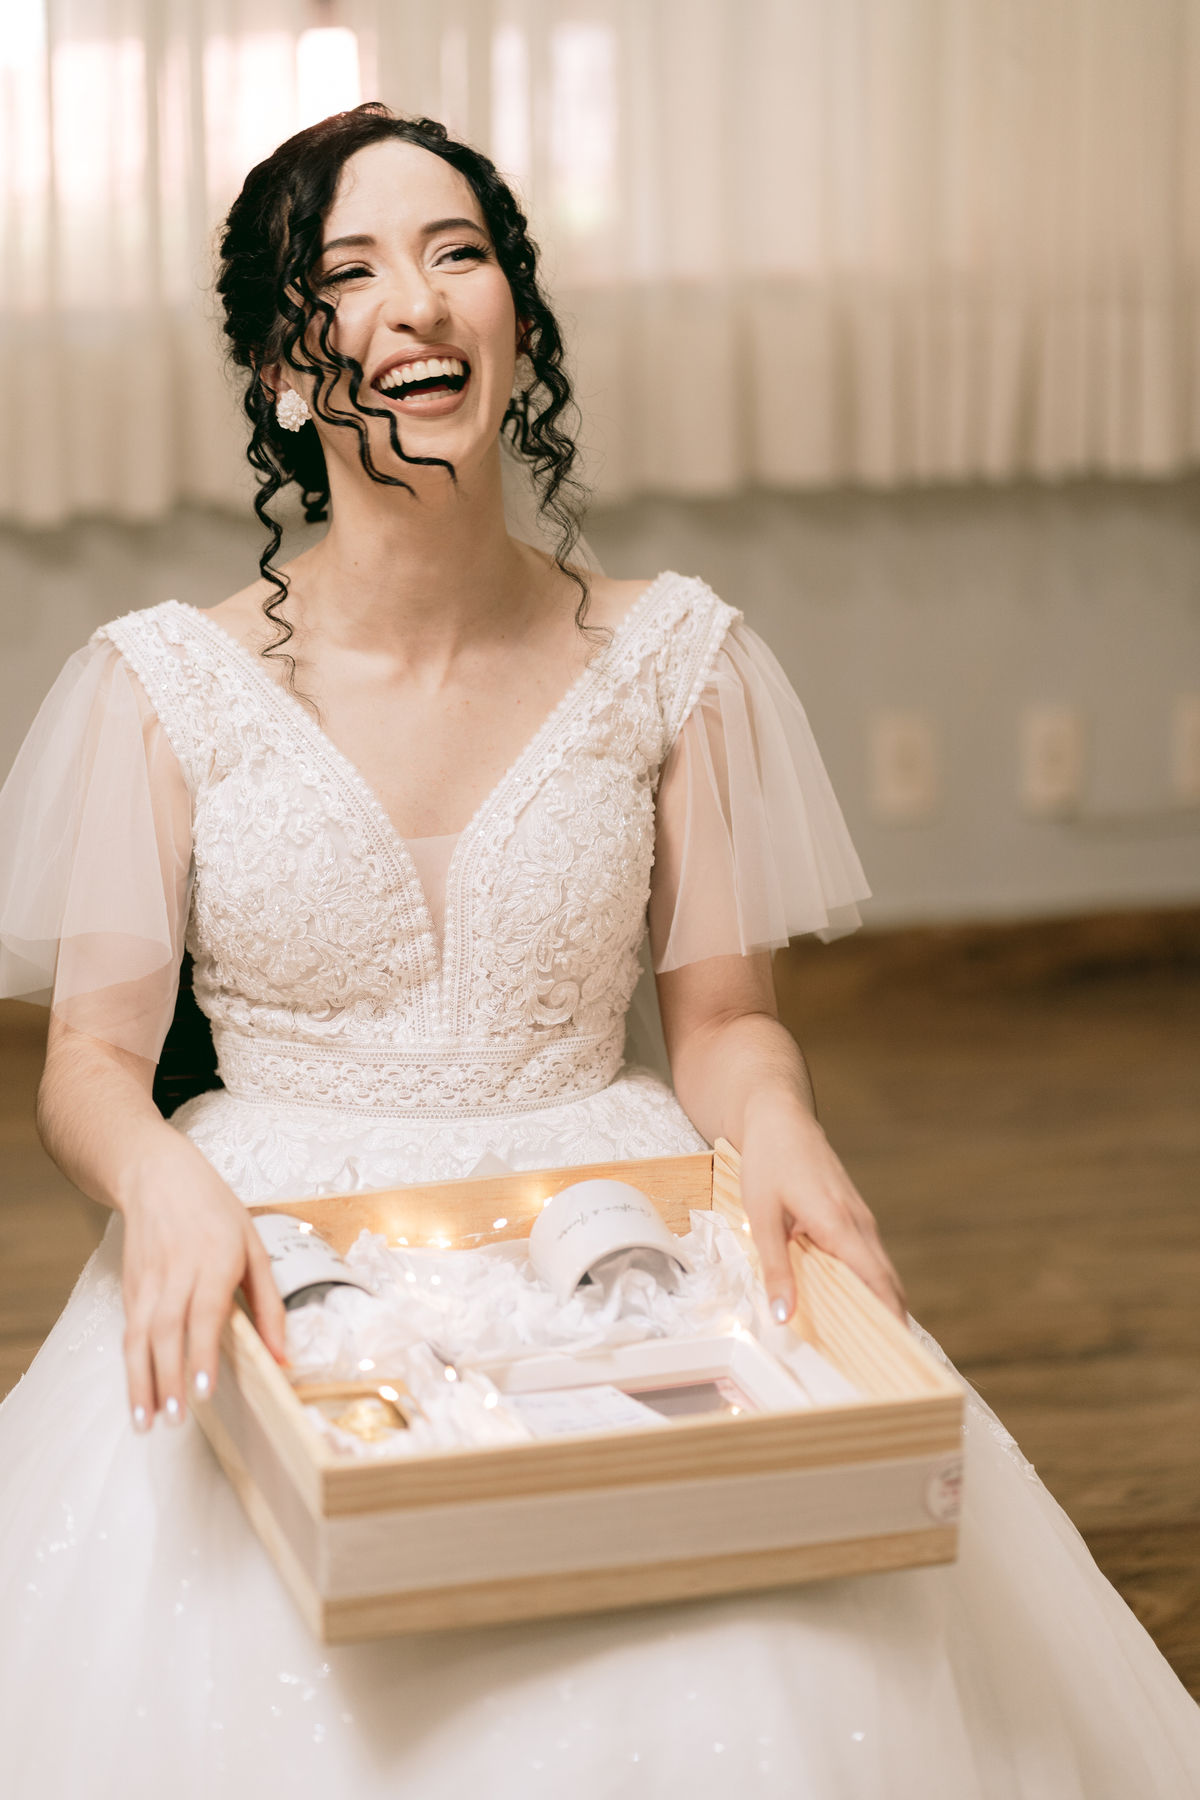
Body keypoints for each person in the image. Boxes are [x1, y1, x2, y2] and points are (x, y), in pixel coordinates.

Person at [0, 105, 1195, 1799]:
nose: (419, 302)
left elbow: (726, 1027)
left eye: (459, 253)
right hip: (273, 1240)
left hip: (610, 1220)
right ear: (281, 366)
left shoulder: (675, 659)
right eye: (352, 273)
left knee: (774, 1649)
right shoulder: (161, 688)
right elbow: (89, 1069)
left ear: (517, 322)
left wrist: (781, 1130)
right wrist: (163, 1187)